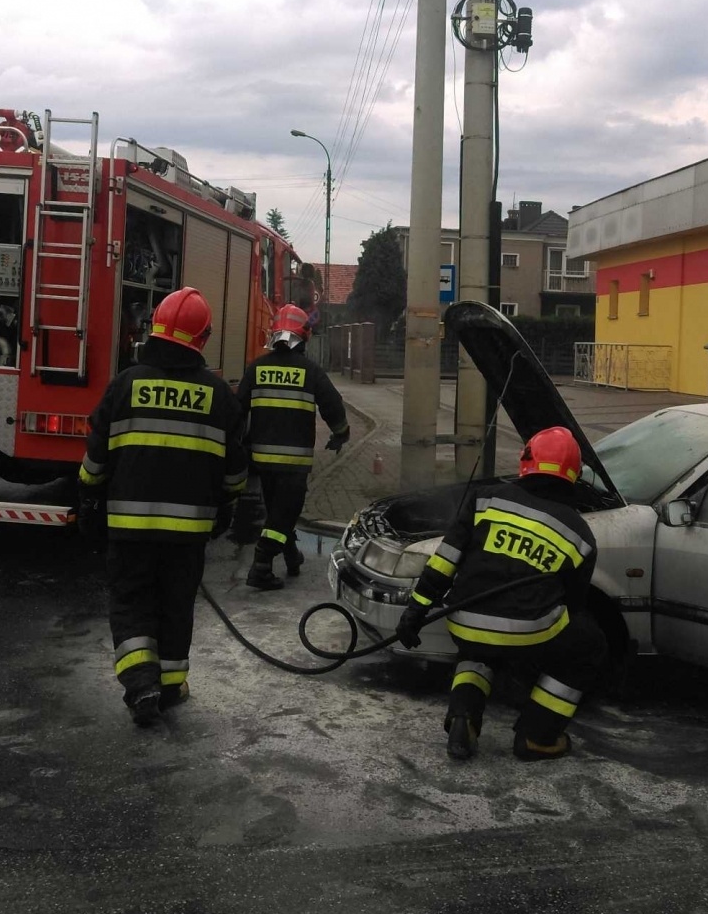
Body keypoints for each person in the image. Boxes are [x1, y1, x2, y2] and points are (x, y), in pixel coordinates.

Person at [77, 287, 248, 727]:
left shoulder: (125, 385)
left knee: (131, 600)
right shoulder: (219, 395)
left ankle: (141, 684)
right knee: (176, 605)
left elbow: (97, 453)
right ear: (202, 338)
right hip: (188, 533)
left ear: (155, 326)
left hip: (130, 529)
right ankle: (170, 686)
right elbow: (235, 469)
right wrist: (226, 507)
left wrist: (88, 491)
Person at [394, 426, 606, 762]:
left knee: (477, 650)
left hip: (466, 621)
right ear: (573, 475)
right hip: (529, 634)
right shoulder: (580, 533)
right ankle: (538, 736)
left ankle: (464, 717)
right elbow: (573, 603)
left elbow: (444, 561)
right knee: (588, 644)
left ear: (526, 461)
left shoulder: (485, 499)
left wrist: (415, 612)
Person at [235, 304, 349, 591]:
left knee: (278, 511)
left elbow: (237, 411)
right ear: (304, 334)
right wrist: (341, 434)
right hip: (294, 464)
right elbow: (332, 406)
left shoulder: (256, 368)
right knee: (283, 514)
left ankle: (290, 555)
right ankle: (261, 565)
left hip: (261, 460)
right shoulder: (310, 371)